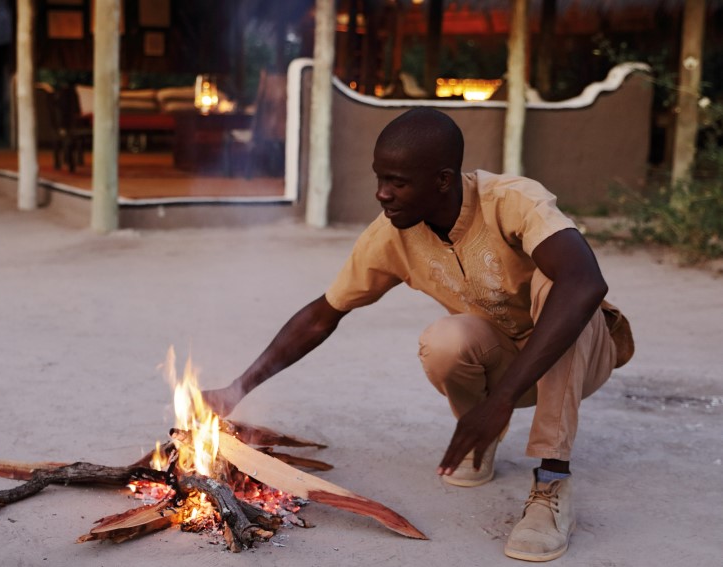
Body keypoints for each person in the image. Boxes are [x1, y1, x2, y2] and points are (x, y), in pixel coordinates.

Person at [202, 108, 633, 562]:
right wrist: (238, 388)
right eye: (379, 178)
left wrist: (500, 400)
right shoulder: (391, 235)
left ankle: (551, 483)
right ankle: (480, 441)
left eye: (398, 182)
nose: (382, 194)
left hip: (581, 355)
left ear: (443, 180)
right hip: (507, 362)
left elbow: (586, 284)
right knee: (445, 339)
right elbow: (323, 314)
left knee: (563, 292)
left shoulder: (512, 201)